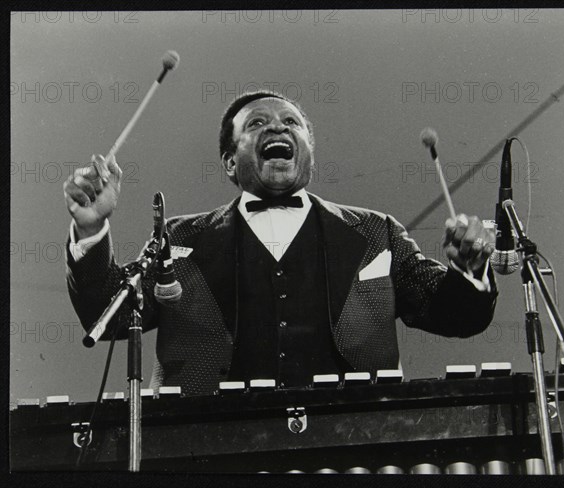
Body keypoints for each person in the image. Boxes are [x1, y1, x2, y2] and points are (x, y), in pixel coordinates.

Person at [64, 91, 498, 396]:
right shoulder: (179, 237)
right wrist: (91, 230)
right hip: (211, 443)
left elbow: (454, 316)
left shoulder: (375, 231)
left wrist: (470, 271)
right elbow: (109, 318)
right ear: (231, 162)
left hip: (352, 437)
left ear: (309, 151)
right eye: (257, 124)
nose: (278, 127)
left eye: (291, 123)